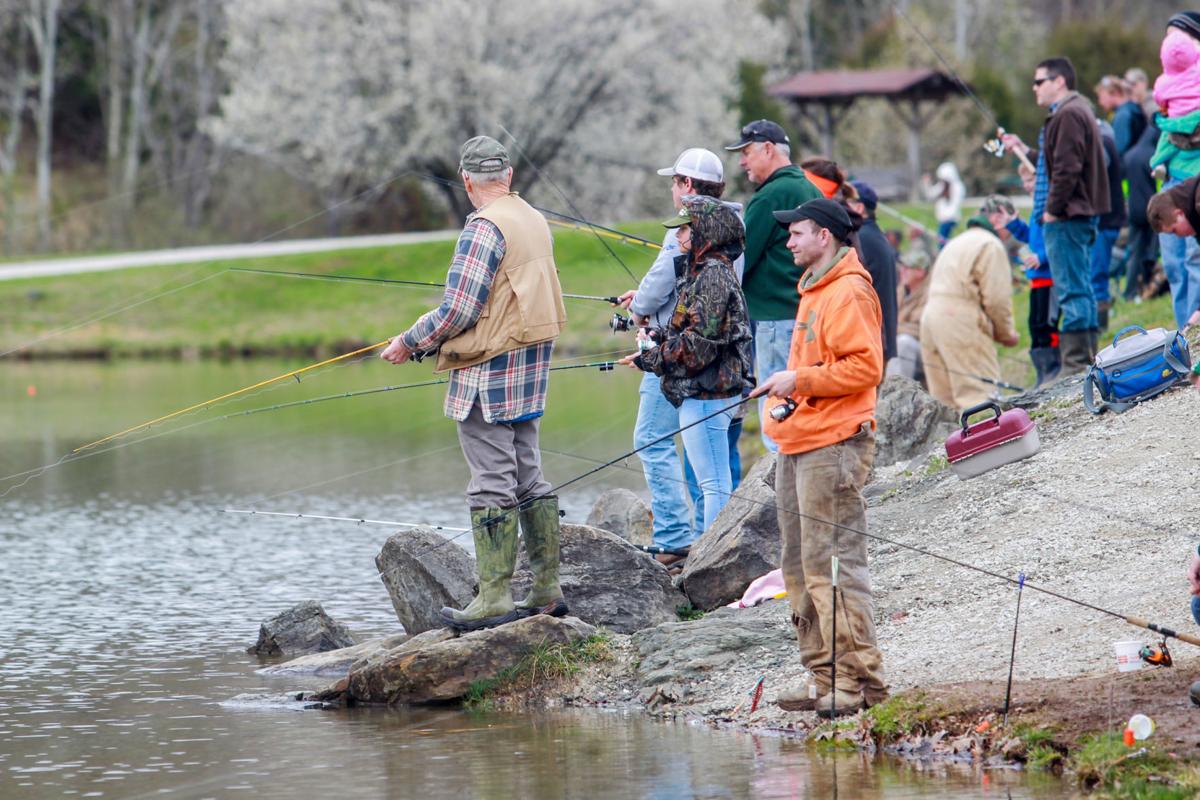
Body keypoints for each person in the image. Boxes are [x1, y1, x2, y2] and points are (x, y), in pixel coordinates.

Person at [380, 135, 568, 632]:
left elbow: (459, 309)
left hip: (490, 372)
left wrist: (410, 341)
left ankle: (495, 597)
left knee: (491, 481)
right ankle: (547, 588)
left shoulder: (484, 229)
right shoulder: (532, 217)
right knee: (529, 473)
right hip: (530, 369)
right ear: (507, 176)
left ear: (467, 180)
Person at [752, 197, 886, 718]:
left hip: (834, 447)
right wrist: (790, 392)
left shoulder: (848, 290)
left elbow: (865, 369)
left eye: (797, 234)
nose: (788, 242)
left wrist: (799, 380)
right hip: (800, 442)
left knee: (833, 566)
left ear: (825, 237)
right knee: (798, 566)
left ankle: (857, 684)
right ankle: (823, 675)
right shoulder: (814, 287)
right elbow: (819, 366)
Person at [614, 147, 742, 561]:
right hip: (701, 367)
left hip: (696, 371)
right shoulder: (731, 228)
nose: (672, 190)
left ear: (687, 185)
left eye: (674, 181)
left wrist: (645, 335)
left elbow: (694, 329)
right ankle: (705, 544)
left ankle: (683, 542)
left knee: (658, 441)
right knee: (711, 466)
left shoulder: (697, 237)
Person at [1001, 57, 1110, 374]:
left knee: (1072, 290)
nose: (1034, 87)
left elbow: (1066, 170)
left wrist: (1051, 210)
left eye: (1039, 81)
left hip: (1067, 218)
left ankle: (1075, 365)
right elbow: (1054, 163)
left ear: (1059, 81)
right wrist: (1024, 148)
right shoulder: (1072, 112)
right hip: (1074, 214)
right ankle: (1086, 360)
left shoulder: (1068, 114)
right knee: (1081, 287)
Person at [725, 120, 821, 452]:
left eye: (747, 152)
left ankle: (781, 496)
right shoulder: (809, 188)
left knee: (776, 417)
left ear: (768, 149)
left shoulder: (771, 195)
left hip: (774, 323)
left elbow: (739, 257)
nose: (742, 161)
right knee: (803, 407)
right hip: (806, 315)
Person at [919, 216, 1020, 410]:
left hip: (930, 317)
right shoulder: (990, 245)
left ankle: (950, 439)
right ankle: (990, 438)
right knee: (978, 395)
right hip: (959, 317)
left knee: (944, 402)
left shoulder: (955, 243)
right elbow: (997, 299)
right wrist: (1006, 333)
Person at [981, 194, 1061, 387]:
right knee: (1034, 325)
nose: (1026, 185)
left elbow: (1056, 242)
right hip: (1036, 281)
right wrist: (1013, 223)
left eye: (1029, 180)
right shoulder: (1037, 207)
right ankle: (1043, 374)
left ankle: (1054, 370)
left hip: (1049, 280)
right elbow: (1030, 236)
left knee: (1046, 326)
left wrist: (1040, 258)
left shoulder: (1049, 208)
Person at [844, 179, 898, 365]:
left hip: (872, 343)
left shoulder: (863, 239)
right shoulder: (875, 235)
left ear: (859, 208)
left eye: (845, 203)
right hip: (881, 342)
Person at [1092, 119, 1127, 330]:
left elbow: (1094, 175)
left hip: (1104, 221)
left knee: (1097, 274)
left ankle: (1100, 326)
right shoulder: (1105, 136)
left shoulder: (1101, 142)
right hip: (1107, 220)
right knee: (1097, 273)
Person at [1123, 121, 1162, 302]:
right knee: (1150, 253)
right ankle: (1147, 286)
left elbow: (1125, 186)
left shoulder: (1130, 155)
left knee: (1133, 253)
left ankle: (1130, 292)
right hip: (1150, 209)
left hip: (1133, 209)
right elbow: (1159, 186)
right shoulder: (1153, 156)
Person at [885, 244, 932, 382]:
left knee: (904, 343)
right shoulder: (901, 290)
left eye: (907, 268)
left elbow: (919, 329)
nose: (902, 271)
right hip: (899, 343)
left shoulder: (930, 294)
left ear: (920, 272)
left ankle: (898, 396)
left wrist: (891, 330)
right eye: (902, 267)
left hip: (926, 353)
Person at [1095, 75, 1147, 156]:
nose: (1100, 102)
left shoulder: (1123, 115)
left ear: (1115, 93)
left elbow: (1118, 149)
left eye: (1101, 97)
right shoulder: (1133, 108)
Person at [920, 162, 966, 241]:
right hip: (942, 220)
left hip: (951, 220)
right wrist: (926, 184)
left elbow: (955, 205)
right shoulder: (942, 185)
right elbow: (930, 194)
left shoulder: (957, 187)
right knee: (942, 241)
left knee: (943, 242)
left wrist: (947, 217)